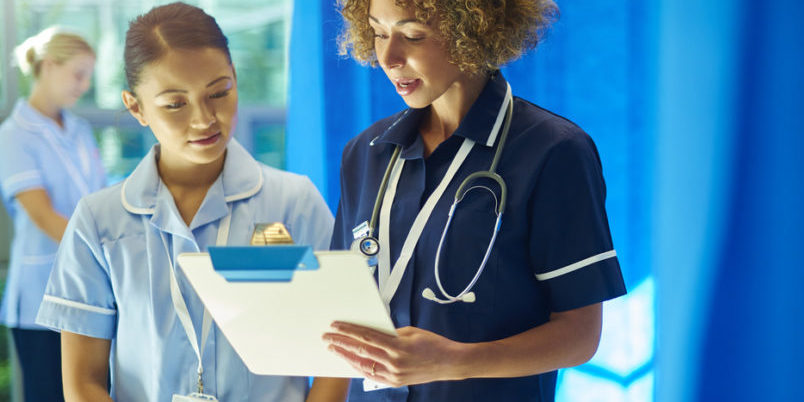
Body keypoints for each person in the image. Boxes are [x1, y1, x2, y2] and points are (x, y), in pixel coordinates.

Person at [35, 3, 347, 401]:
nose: (204, 119)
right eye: (175, 104)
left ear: (235, 80)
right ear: (136, 107)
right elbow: (83, 382)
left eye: (219, 93)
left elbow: (334, 355)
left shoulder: (292, 203)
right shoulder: (99, 221)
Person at [323, 0, 627, 400]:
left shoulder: (553, 151)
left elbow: (580, 335)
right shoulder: (367, 152)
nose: (388, 57)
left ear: (472, 29)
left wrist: (453, 361)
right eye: (379, 33)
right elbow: (341, 312)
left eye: (413, 35)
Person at [0, 27, 105, 402]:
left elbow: (100, 199)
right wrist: (103, 252)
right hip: (39, 296)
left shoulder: (80, 129)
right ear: (47, 66)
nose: (85, 84)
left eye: (89, 75)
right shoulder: (13, 135)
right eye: (78, 73)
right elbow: (43, 216)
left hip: (89, 292)